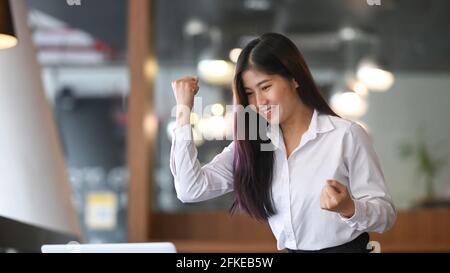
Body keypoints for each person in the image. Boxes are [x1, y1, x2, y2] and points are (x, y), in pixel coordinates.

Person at [170, 33, 396, 253]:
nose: (259, 102)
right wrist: (183, 112)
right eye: (249, 92)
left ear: (294, 78)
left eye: (266, 87)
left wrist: (349, 208)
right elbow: (190, 189)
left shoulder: (346, 135)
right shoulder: (254, 145)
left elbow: (385, 216)